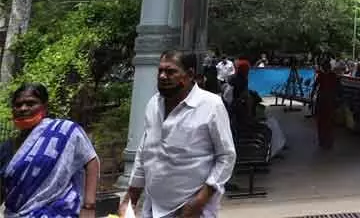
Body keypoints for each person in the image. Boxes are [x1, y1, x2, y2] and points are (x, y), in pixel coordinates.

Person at [121, 50, 237, 218]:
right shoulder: (154, 104)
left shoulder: (211, 105)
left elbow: (226, 157)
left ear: (189, 75)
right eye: (160, 71)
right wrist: (130, 197)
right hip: (153, 207)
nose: (162, 76)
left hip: (193, 209)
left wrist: (200, 201)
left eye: (170, 71)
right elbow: (145, 150)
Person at [0, 83, 100, 218]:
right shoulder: (7, 147)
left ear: (44, 107)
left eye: (30, 103)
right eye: (18, 105)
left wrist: (89, 206)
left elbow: (91, 161)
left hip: (58, 212)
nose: (23, 108)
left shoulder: (64, 131)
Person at [313, 60, 339, 150]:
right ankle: (328, 141)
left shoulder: (321, 75)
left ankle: (323, 141)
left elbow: (315, 86)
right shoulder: (333, 75)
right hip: (329, 100)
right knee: (329, 122)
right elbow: (337, 88)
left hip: (322, 100)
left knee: (321, 121)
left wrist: (312, 95)